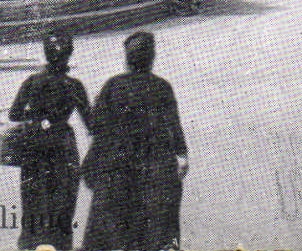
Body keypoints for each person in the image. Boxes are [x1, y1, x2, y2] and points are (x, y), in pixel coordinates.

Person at [81, 31, 188, 251]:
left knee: (112, 226)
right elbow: (173, 125)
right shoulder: (162, 87)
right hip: (154, 164)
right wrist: (182, 154)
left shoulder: (113, 85)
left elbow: (96, 126)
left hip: (117, 163)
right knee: (155, 228)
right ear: (152, 58)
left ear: (127, 58)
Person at [10, 31, 92, 250]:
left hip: (34, 143)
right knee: (63, 194)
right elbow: (91, 122)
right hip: (62, 144)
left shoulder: (32, 81)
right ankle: (59, 241)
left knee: (32, 192)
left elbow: (14, 114)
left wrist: (37, 118)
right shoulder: (74, 85)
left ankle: (30, 241)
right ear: (70, 54)